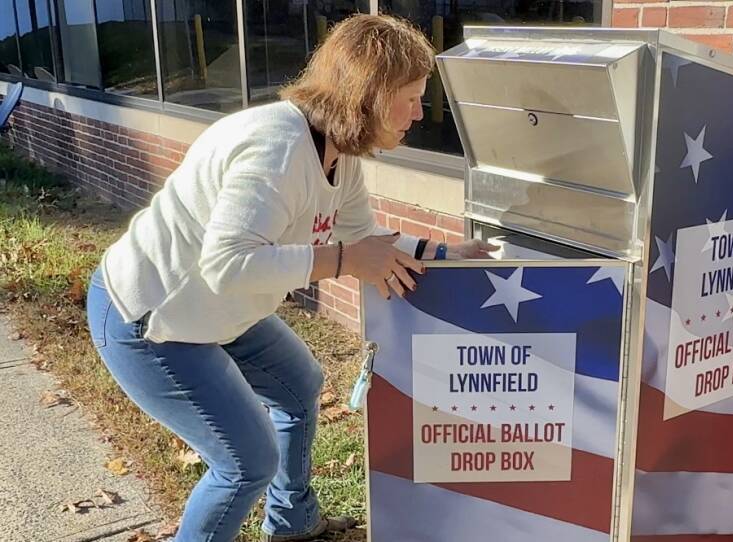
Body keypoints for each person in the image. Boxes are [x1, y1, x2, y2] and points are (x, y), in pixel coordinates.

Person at [85, 14, 493, 542]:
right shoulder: (276, 148)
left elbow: (364, 235)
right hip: (151, 317)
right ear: (369, 95)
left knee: (300, 385)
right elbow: (227, 264)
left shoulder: (338, 154)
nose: (420, 112)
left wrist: (444, 252)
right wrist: (345, 261)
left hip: (220, 308)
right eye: (411, 98)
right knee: (245, 462)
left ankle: (293, 523)